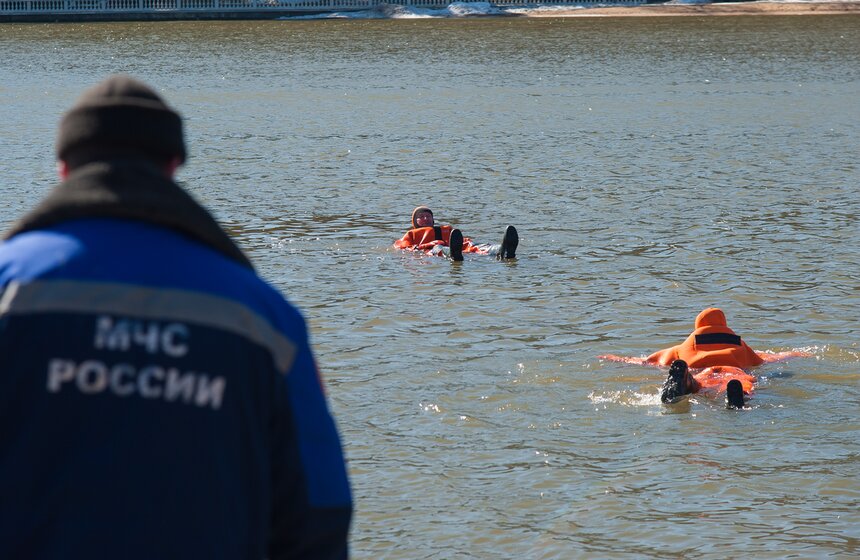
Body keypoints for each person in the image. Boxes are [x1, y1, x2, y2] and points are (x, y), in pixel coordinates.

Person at [0, 75, 352, 559]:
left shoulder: (8, 288)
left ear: (63, 167)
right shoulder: (267, 319)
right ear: (172, 164)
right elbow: (320, 511)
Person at [645, 307, 765, 369]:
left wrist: (635, 360)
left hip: (698, 367)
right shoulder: (739, 343)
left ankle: (685, 384)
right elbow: (761, 360)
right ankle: (744, 392)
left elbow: (657, 359)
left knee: (701, 383)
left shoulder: (685, 345)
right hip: (733, 367)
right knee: (741, 379)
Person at [393, 205, 518, 261]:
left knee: (474, 245)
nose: (425, 218)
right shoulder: (411, 234)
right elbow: (403, 247)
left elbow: (458, 239)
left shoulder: (445, 229)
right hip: (433, 249)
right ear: (415, 221)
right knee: (438, 249)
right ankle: (453, 254)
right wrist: (426, 245)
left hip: (454, 245)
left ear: (433, 219)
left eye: (428, 216)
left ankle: (500, 249)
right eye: (421, 217)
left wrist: (467, 242)